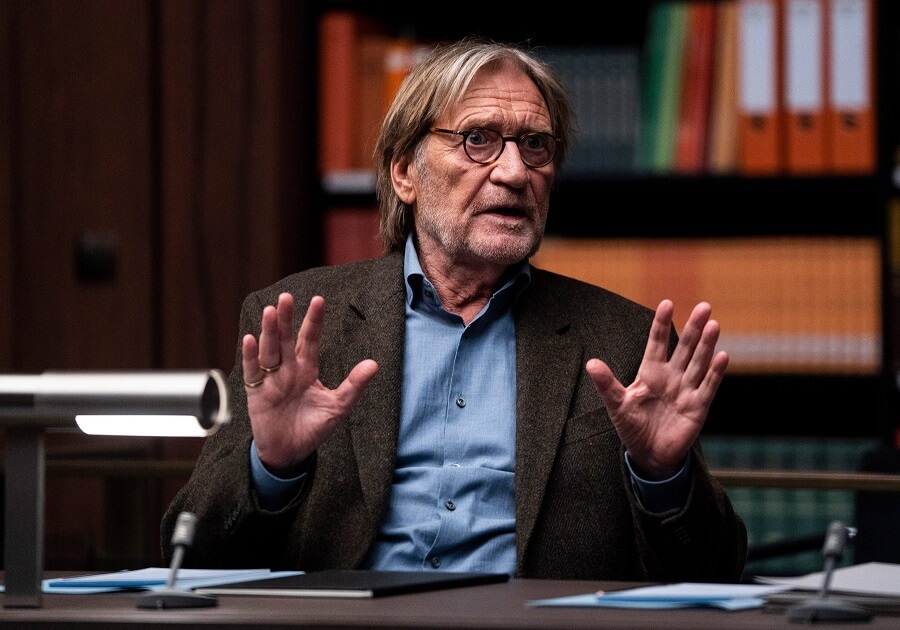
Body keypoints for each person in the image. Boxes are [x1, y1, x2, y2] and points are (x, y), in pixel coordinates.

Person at [162, 36, 747, 581]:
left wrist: (663, 478)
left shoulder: (625, 339)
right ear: (404, 172)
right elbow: (193, 555)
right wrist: (272, 468)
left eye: (535, 145)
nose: (515, 173)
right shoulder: (299, 326)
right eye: (478, 139)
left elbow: (713, 573)